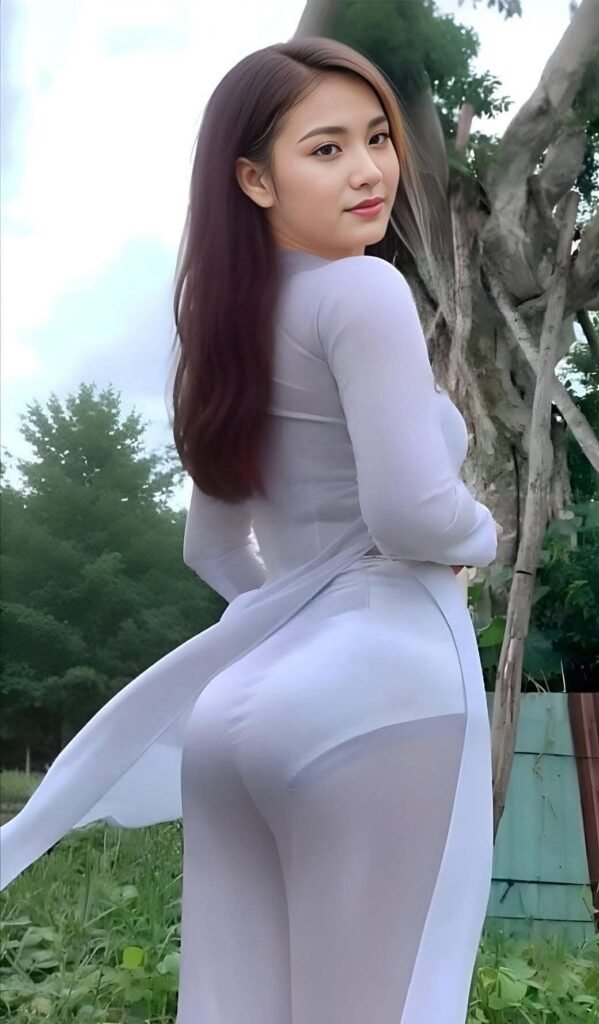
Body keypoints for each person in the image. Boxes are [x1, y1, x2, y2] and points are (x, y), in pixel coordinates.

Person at [0, 36, 499, 1024]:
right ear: (254, 179)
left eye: (377, 138)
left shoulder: (221, 328)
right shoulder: (364, 290)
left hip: (234, 720)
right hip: (387, 689)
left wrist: (302, 625)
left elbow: (215, 550)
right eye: (326, 149)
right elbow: (409, 512)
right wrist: (479, 535)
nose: (368, 171)